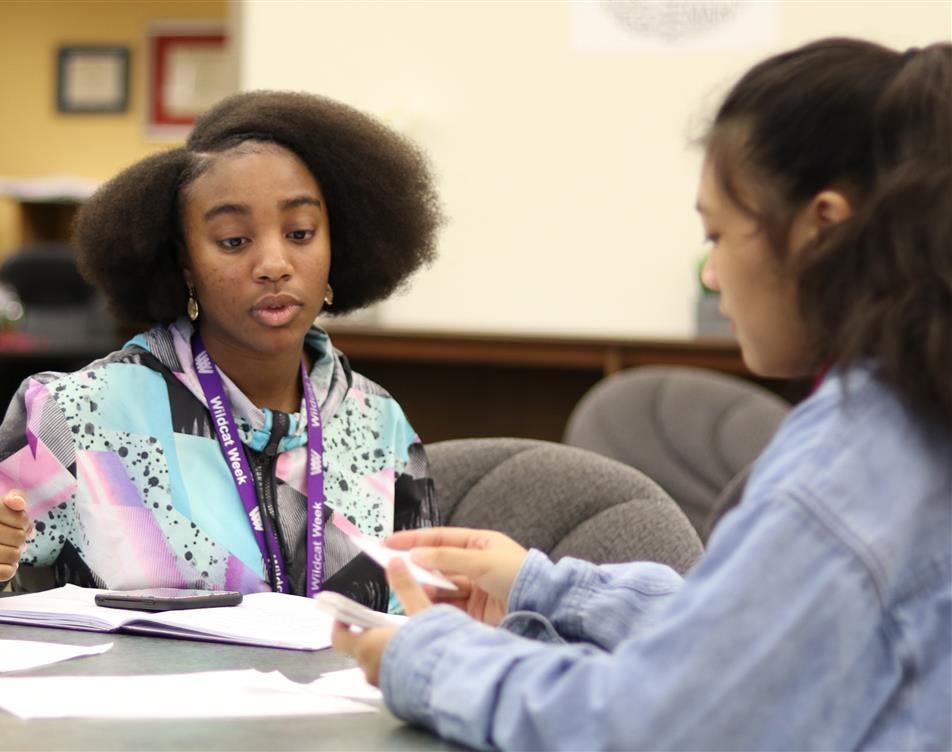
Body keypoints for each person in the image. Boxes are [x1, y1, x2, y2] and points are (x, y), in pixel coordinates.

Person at [333, 38, 952, 750]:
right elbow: (758, 642)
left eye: (717, 234)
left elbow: (651, 726)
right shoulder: (913, 420)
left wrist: (431, 657)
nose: (712, 276)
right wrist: (544, 586)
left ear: (823, 230)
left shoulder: (850, 471)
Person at [0, 91, 444, 609]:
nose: (274, 263)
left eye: (300, 233)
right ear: (184, 263)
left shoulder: (379, 423)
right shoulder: (86, 413)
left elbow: (425, 617)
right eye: (233, 240)